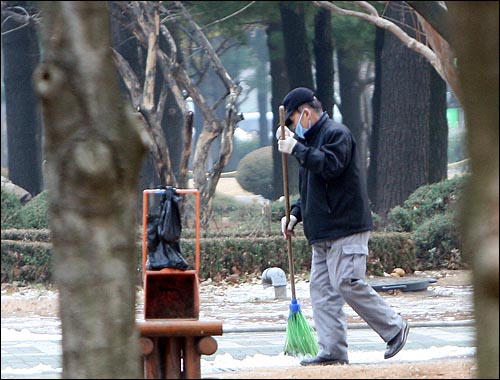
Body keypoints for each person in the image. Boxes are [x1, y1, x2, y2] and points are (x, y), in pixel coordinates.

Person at [276, 87, 409, 366]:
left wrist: (298, 149)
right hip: (322, 231)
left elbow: (330, 167)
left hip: (346, 225)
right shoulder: (311, 142)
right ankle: (332, 349)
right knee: (322, 292)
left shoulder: (336, 134)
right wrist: (296, 214)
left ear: (306, 113)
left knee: (347, 281)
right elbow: (311, 186)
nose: (292, 129)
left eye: (292, 122)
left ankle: (394, 327)